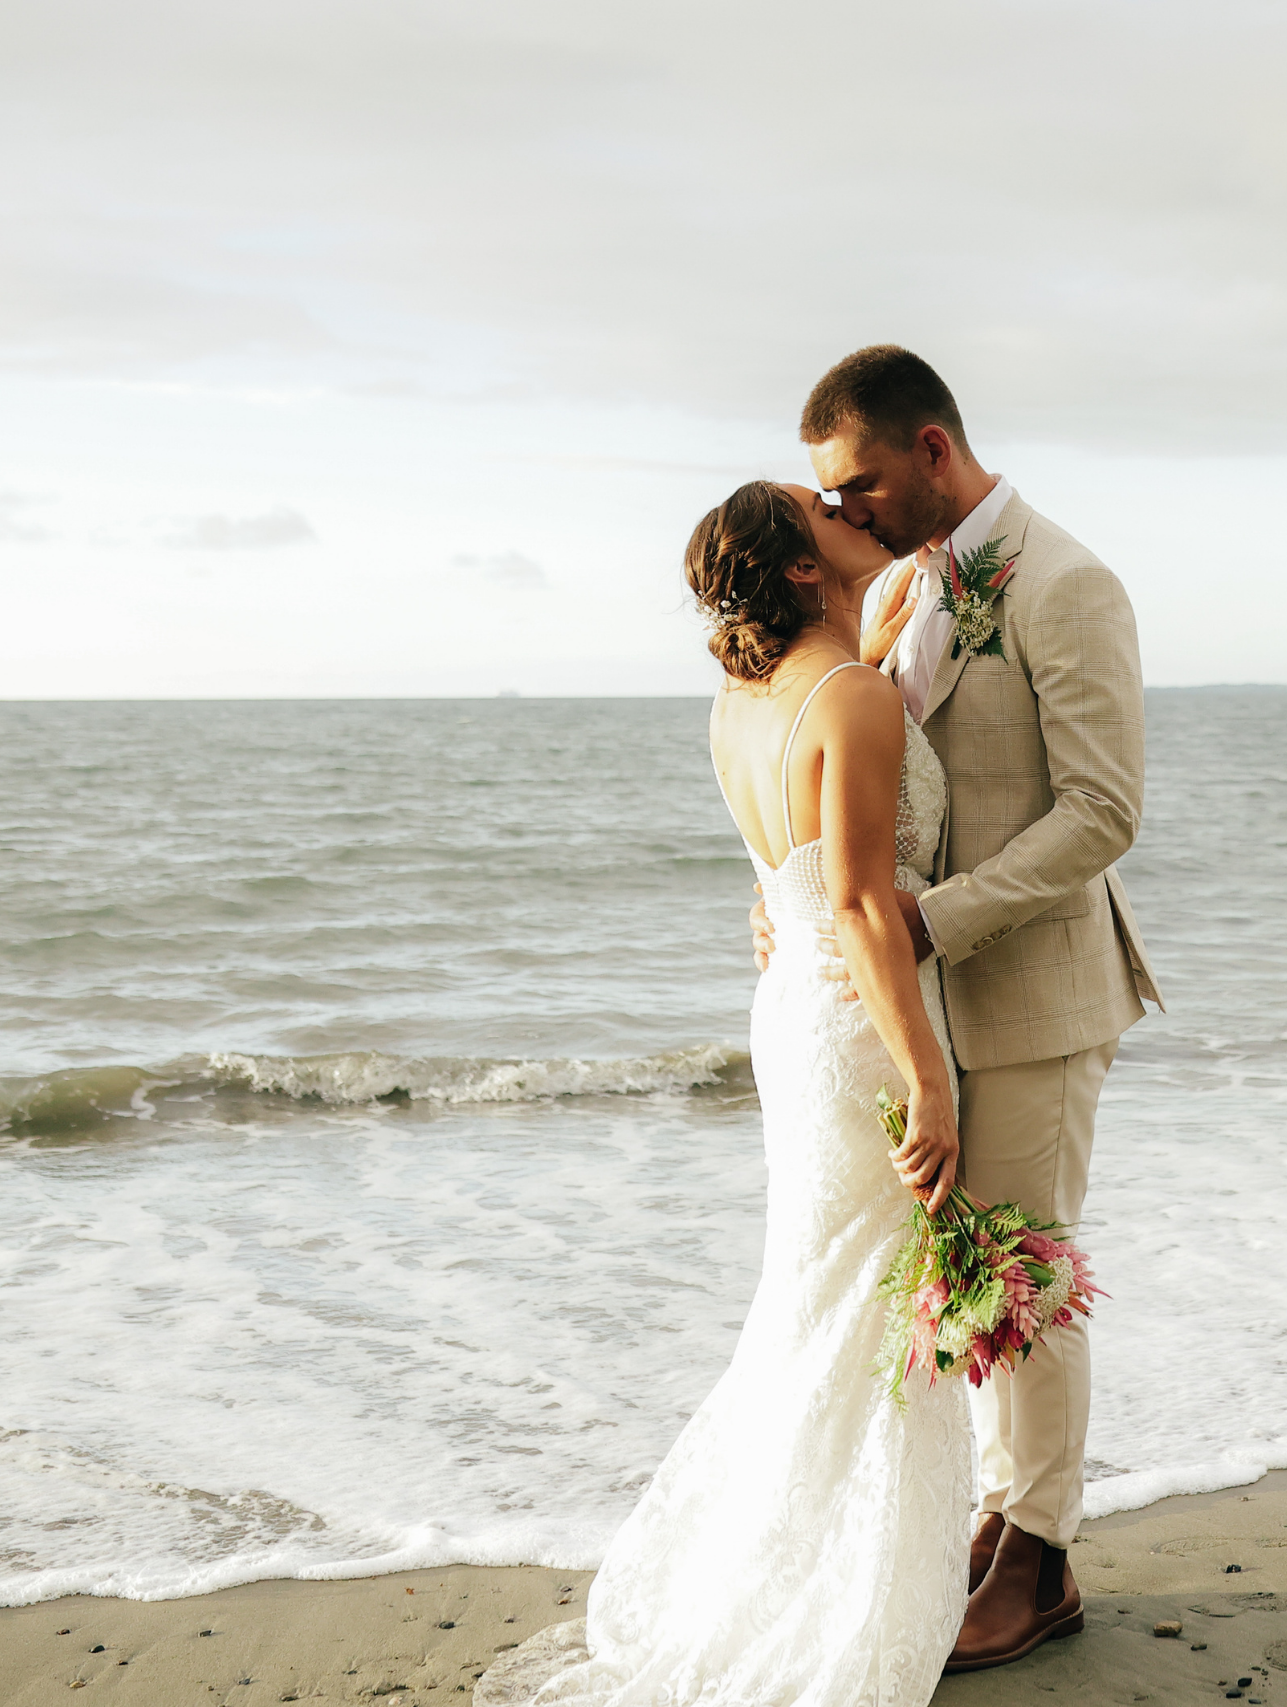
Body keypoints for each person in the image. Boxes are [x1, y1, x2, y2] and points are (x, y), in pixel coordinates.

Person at [501, 477, 972, 1706]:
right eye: (819, 509)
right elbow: (865, 905)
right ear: (804, 569)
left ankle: (775, 1570)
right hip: (856, 1022)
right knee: (858, 1308)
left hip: (793, 1017)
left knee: (819, 1299)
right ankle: (830, 1602)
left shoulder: (750, 693)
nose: (841, 503)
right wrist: (930, 1078)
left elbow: (794, 874)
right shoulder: (854, 698)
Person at [775, 345, 1161, 1670]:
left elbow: (1104, 811)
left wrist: (930, 920)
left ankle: (1044, 1554)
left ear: (932, 449)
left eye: (865, 480)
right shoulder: (908, 590)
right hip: (936, 1007)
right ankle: (1003, 1517)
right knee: (966, 1273)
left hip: (1041, 990)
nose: (855, 508)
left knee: (1027, 1272)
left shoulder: (1067, 582)